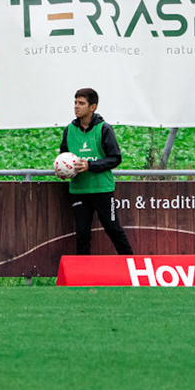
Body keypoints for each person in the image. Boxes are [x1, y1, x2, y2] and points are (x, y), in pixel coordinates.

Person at [57, 87, 133, 263]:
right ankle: (83, 272)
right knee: (82, 234)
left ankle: (132, 266)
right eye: (75, 102)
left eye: (81, 103)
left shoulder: (103, 129)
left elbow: (115, 158)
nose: (76, 106)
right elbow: (64, 157)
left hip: (102, 189)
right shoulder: (69, 130)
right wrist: (63, 171)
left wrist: (90, 166)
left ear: (93, 107)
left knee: (113, 229)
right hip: (79, 190)